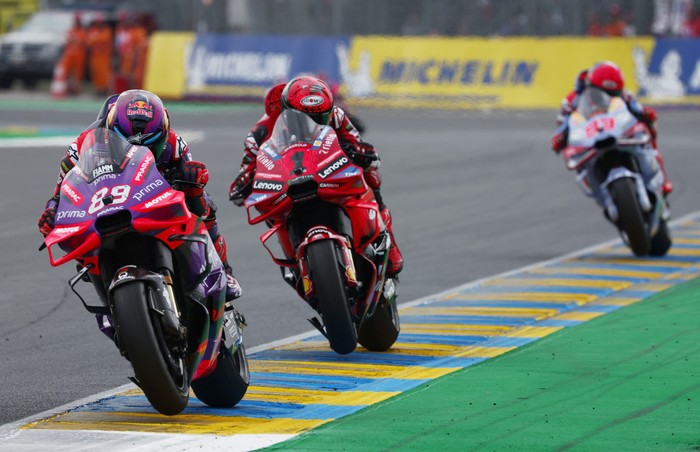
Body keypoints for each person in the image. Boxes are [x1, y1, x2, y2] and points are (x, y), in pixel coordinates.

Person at [38, 90, 243, 307]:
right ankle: (108, 296)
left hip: (154, 198)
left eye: (149, 145)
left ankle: (225, 269)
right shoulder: (82, 146)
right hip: (106, 202)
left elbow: (193, 178)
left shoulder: (175, 145)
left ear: (163, 134)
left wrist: (194, 181)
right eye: (127, 141)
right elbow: (62, 192)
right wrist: (52, 212)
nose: (138, 149)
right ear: (110, 129)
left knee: (205, 205)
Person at [229, 75, 404, 278]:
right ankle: (292, 262)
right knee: (266, 204)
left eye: (320, 117)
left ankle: (386, 237)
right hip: (287, 180)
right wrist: (245, 183)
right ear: (286, 111)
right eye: (305, 117)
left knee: (369, 173)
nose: (314, 122)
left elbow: (359, 144)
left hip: (327, 171)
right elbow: (246, 170)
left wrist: (361, 153)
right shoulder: (260, 132)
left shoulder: (337, 116)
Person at [550, 61, 672, 196]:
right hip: (590, 137)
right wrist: (560, 137)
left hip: (618, 131)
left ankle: (661, 174)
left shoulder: (624, 94)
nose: (614, 95)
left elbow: (636, 108)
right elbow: (564, 124)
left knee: (647, 126)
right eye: (609, 93)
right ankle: (596, 189)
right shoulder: (572, 100)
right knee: (574, 154)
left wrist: (645, 114)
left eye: (616, 93)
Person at [57, 12, 88, 95]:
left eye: (78, 21)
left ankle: (76, 90)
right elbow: (67, 42)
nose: (77, 23)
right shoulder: (70, 31)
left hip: (79, 55)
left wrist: (76, 41)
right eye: (76, 21)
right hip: (69, 55)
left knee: (78, 73)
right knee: (67, 72)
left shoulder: (83, 31)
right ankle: (67, 89)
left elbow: (84, 42)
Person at [86, 13, 113, 96]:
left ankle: (103, 89)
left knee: (104, 73)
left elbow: (104, 39)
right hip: (95, 56)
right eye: (98, 23)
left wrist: (96, 40)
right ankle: (97, 89)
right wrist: (97, 40)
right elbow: (89, 42)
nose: (99, 25)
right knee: (95, 73)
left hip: (104, 56)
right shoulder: (93, 30)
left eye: (100, 23)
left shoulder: (107, 31)